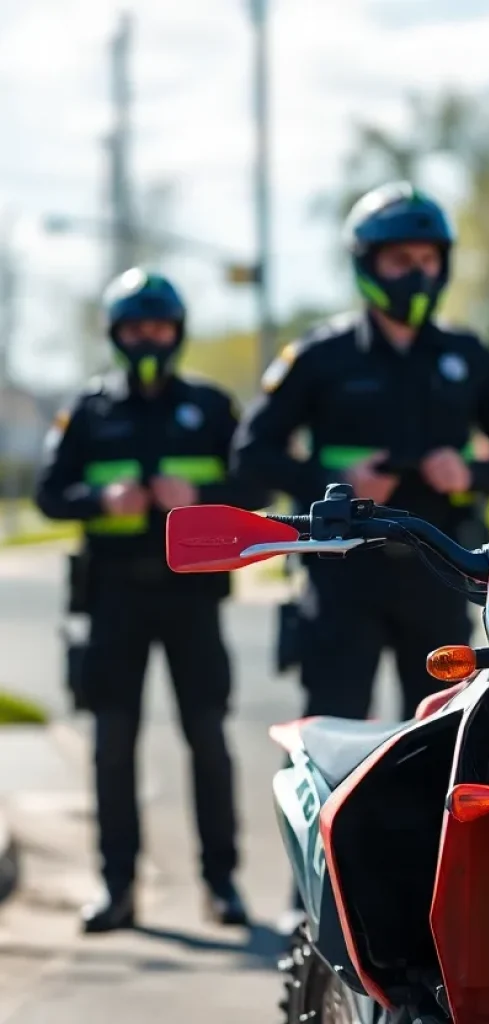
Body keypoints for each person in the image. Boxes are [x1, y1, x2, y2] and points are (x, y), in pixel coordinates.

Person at [232, 181, 489, 723]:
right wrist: (334, 478)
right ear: (366, 264)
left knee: (441, 735)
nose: (419, 272)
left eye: (429, 259)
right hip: (341, 574)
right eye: (402, 259)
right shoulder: (318, 357)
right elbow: (251, 454)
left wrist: (469, 473)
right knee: (333, 729)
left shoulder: (468, 357)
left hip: (438, 572)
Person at [35, 268, 269, 933]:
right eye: (135, 328)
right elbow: (52, 492)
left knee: (207, 739)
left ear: (177, 332)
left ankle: (221, 886)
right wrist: (99, 500)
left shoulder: (210, 405)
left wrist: (200, 497)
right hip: (113, 601)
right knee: (112, 745)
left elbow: (256, 483)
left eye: (159, 327)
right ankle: (117, 889)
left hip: (192, 599)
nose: (148, 339)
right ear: (116, 334)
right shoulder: (87, 409)